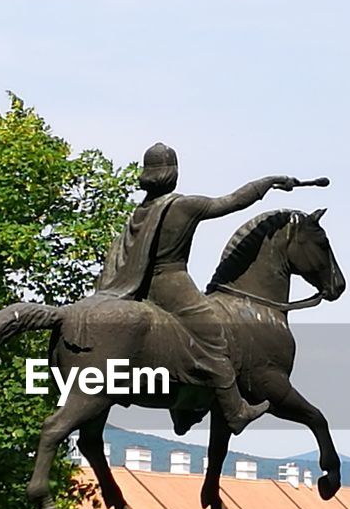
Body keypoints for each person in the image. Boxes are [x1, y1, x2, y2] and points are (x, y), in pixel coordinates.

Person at [95, 143, 297, 433]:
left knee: (182, 339)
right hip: (171, 282)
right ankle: (236, 410)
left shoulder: (141, 212)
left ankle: (185, 404)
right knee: (215, 335)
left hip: (139, 285)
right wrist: (268, 182)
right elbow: (231, 202)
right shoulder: (183, 205)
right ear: (172, 174)